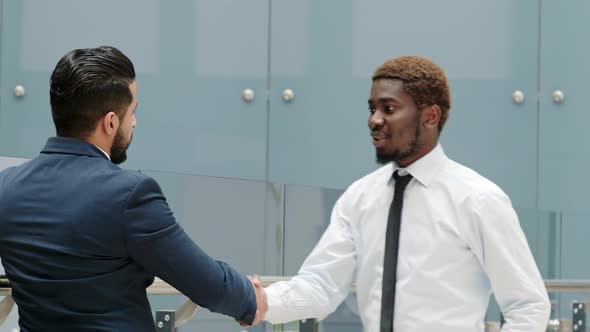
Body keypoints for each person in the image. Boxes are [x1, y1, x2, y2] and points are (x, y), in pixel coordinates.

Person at [262, 56, 550, 331]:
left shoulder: (478, 199)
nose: (374, 120)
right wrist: (258, 302)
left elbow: (527, 305)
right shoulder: (360, 197)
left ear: (430, 116)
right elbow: (321, 285)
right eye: (371, 108)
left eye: (388, 109)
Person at [0, 46, 267, 332]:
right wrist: (249, 300)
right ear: (111, 122)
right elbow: (205, 281)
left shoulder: (7, 187)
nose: (134, 122)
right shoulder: (129, 195)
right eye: (132, 113)